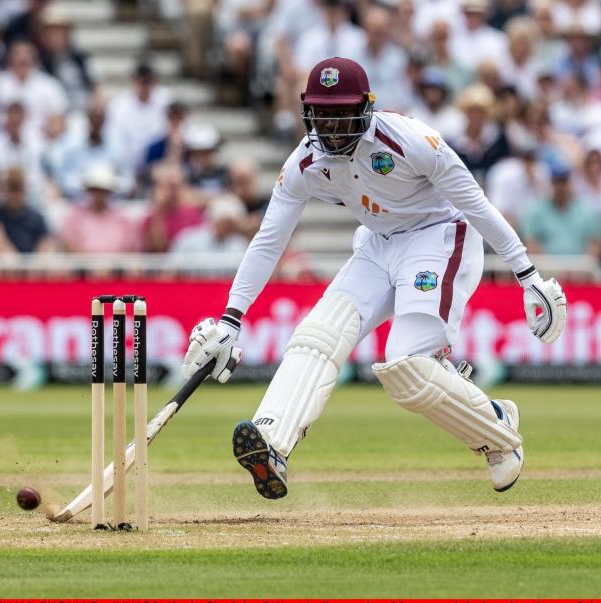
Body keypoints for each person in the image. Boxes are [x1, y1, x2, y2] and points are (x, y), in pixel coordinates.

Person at [180, 57, 567, 500]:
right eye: (322, 115)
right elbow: (269, 240)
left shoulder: (414, 141)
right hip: (378, 244)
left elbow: (477, 205)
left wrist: (528, 274)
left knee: (406, 367)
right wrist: (231, 318)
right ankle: (273, 443)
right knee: (316, 336)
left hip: (438, 238)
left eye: (342, 114)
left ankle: (499, 428)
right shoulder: (305, 162)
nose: (332, 127)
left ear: (366, 108)